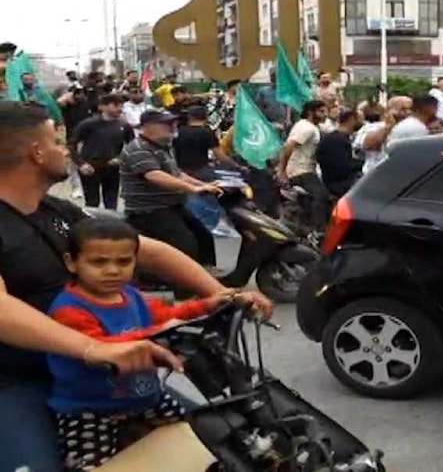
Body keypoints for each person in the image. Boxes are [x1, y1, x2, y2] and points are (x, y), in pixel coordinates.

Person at [0, 102, 273, 471]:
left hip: (103, 372)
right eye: (57, 140)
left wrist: (220, 293)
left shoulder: (57, 211)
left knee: (225, 442)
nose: (65, 148)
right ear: (36, 152)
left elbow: (147, 251)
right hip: (19, 382)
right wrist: (91, 347)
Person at [48, 217, 248, 470]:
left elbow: (166, 315)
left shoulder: (130, 296)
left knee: (207, 440)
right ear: (72, 262)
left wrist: (208, 305)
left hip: (147, 398)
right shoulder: (69, 309)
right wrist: (156, 333)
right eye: (99, 262)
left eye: (124, 262)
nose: (112, 270)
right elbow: (99, 345)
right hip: (89, 410)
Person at [120, 110, 222, 267]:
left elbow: (177, 174)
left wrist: (203, 185)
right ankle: (185, 288)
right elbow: (154, 175)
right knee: (185, 245)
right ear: (148, 126)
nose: (173, 126)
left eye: (173, 123)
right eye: (166, 123)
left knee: (204, 237)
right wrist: (190, 189)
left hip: (172, 205)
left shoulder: (164, 147)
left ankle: (203, 277)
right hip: (150, 209)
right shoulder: (138, 148)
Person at [69, 93, 134, 210]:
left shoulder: (124, 125)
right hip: (91, 167)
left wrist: (121, 159)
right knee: (92, 203)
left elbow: (132, 146)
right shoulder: (88, 124)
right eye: (115, 105)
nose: (119, 109)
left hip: (112, 167)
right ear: (102, 107)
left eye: (121, 105)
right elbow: (72, 144)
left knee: (111, 202)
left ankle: (112, 226)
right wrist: (81, 164)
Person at [278, 100, 330, 231]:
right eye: (321, 111)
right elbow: (289, 146)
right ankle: (318, 230)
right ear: (310, 112)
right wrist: (282, 170)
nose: (325, 115)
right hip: (301, 172)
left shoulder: (309, 127)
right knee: (321, 196)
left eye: (326, 112)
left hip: (304, 171)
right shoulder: (307, 128)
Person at [354, 96, 412, 174]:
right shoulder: (372, 127)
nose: (408, 113)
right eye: (403, 109)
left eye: (410, 109)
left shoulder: (416, 128)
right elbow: (368, 145)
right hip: (376, 176)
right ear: (389, 111)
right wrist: (388, 127)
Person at [316, 108, 363, 196]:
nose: (362, 123)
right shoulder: (337, 140)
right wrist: (362, 164)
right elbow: (342, 166)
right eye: (360, 120)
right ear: (352, 120)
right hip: (338, 185)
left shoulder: (338, 138)